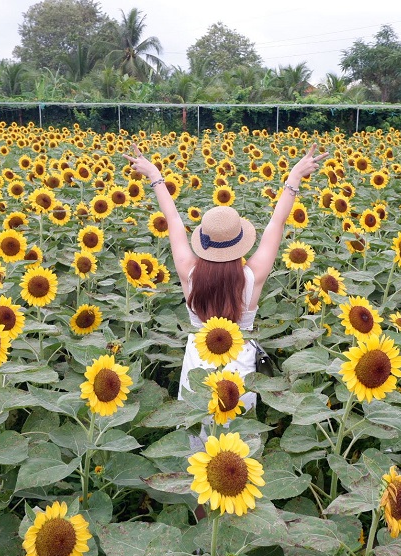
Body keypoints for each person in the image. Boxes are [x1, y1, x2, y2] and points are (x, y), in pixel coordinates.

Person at [123, 143, 328, 423]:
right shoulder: (251, 277)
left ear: (204, 242)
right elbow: (277, 223)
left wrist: (155, 176)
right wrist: (293, 179)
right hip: (239, 371)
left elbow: (171, 220)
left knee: (198, 438)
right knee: (237, 447)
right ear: (239, 242)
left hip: (198, 366)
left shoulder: (189, 273)